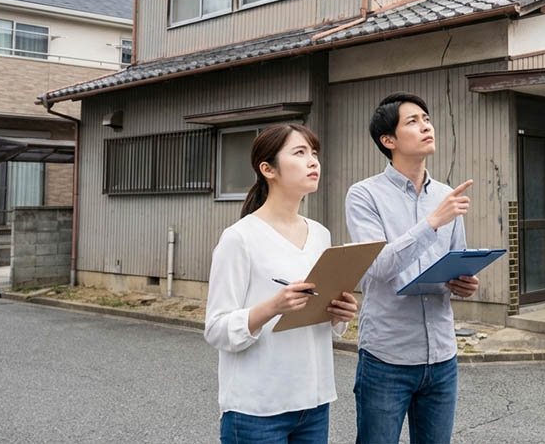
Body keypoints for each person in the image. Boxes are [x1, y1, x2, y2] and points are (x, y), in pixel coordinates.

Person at [204, 124, 359, 444]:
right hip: (256, 408)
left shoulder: (320, 234)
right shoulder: (239, 238)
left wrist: (338, 313)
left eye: (314, 153)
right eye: (300, 153)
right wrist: (272, 306)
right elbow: (216, 328)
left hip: (314, 402)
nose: (313, 161)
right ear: (268, 169)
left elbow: (320, 318)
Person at [345, 92, 478, 444]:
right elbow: (378, 267)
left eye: (426, 118)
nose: (426, 126)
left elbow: (456, 260)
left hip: (442, 355)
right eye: (413, 121)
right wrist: (432, 221)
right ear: (388, 141)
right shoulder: (364, 196)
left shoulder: (446, 195)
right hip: (387, 356)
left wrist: (463, 282)